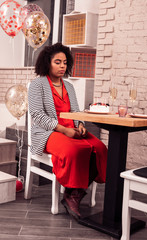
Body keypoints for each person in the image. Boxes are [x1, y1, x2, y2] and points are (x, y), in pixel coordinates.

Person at [28, 42, 108, 220]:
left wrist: (79, 124)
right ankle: (73, 193)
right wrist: (64, 130)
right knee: (75, 150)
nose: (62, 66)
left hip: (71, 129)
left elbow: (75, 111)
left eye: (64, 62)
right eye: (57, 62)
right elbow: (37, 115)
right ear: (47, 63)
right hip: (48, 132)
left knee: (100, 148)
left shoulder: (69, 86)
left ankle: (74, 193)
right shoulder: (37, 85)